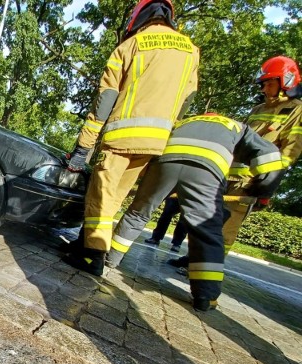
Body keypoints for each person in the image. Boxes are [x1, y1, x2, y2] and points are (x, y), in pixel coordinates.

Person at [64, 0, 199, 277]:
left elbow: (106, 99)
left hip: (120, 137)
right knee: (116, 199)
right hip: (156, 143)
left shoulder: (131, 45)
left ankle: (93, 257)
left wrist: (84, 146)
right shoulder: (190, 51)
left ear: (139, 17)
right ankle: (82, 245)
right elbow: (188, 99)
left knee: (101, 197)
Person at [105, 113, 283, 312]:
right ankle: (205, 296)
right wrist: (263, 191)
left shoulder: (186, 121)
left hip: (166, 162)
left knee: (138, 213)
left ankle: (109, 259)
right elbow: (270, 157)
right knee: (206, 231)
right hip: (206, 170)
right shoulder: (239, 128)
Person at [168, 56, 302, 269]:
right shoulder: (258, 110)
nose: (265, 88)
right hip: (226, 175)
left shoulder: (296, 111)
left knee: (226, 230)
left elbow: (288, 153)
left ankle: (208, 270)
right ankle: (195, 258)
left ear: (286, 81)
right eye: (264, 83)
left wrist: (266, 187)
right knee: (205, 222)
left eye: (270, 83)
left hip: (248, 184)